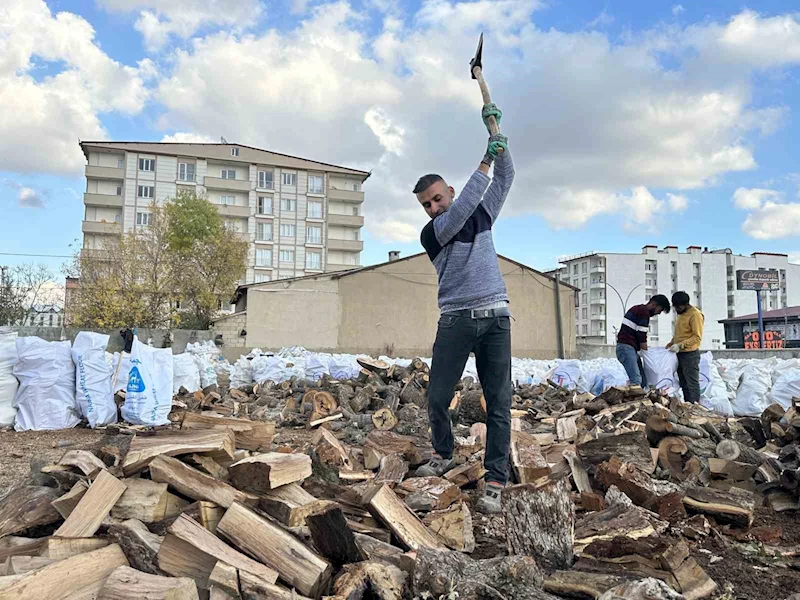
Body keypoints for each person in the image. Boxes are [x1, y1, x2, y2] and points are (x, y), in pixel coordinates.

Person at [413, 102, 514, 514]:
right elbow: (471, 197)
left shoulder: (484, 213)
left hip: (496, 319)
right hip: (455, 320)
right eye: (427, 204)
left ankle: (495, 479)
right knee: (437, 396)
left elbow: (504, 178)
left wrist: (498, 141)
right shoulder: (434, 232)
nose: (434, 207)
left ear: (449, 191)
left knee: (499, 402)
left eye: (438, 198)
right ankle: (444, 453)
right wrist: (485, 157)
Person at [615, 295, 670, 387]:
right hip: (626, 348)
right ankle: (634, 401)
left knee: (643, 382)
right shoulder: (644, 312)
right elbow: (642, 335)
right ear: (654, 305)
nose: (658, 313)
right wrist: (645, 352)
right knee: (636, 380)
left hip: (629, 348)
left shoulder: (637, 309)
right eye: (659, 310)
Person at [667, 291, 705, 403]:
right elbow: (680, 334)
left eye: (678, 307)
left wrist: (680, 345)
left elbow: (697, 337)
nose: (676, 310)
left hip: (690, 354)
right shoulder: (681, 315)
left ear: (685, 304)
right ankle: (687, 405)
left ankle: (694, 407)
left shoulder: (695, 315)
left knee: (691, 383)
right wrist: (671, 343)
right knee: (683, 383)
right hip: (679, 353)